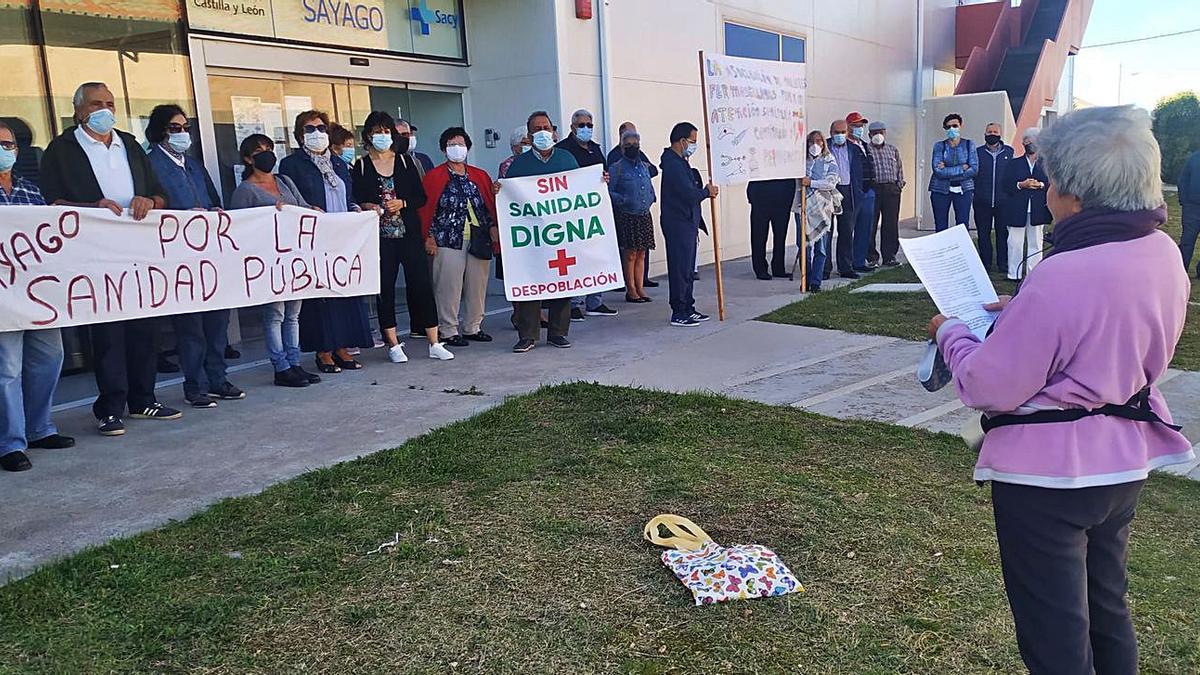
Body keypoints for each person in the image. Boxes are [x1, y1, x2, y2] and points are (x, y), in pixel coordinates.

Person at [928, 105, 1193, 675]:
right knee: (1107, 613)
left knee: (1055, 637)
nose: (1046, 186)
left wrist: (950, 331)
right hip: (1122, 465)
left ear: (1072, 191)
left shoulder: (1061, 272)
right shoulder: (1163, 253)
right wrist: (1026, 311)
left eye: (1051, 177)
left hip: (1046, 478)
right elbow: (1112, 330)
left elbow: (987, 385)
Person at [39, 82, 179, 437]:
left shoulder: (129, 145)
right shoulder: (62, 150)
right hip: (94, 255)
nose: (106, 110)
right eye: (97, 103)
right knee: (107, 333)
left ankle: (143, 398)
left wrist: (150, 201)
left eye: (110, 103)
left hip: (137, 252)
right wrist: (93, 209)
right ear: (80, 110)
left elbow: (159, 194)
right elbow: (51, 204)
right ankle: (110, 407)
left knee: (144, 327)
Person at [145, 104, 245, 409]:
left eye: (185, 127)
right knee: (191, 327)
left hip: (210, 254)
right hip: (179, 258)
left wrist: (215, 212)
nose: (182, 133)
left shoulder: (194, 165)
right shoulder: (151, 165)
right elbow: (154, 207)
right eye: (175, 128)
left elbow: (214, 199)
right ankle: (195, 385)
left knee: (217, 322)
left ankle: (217, 378)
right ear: (161, 131)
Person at [350, 111, 453, 362]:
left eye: (386, 131)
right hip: (380, 237)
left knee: (421, 285)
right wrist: (368, 206)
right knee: (385, 288)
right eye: (377, 132)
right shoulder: (362, 165)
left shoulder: (406, 162)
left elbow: (421, 197)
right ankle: (393, 343)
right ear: (368, 135)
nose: (382, 136)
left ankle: (434, 341)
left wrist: (403, 202)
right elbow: (356, 198)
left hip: (408, 233)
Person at [0, 120, 73, 471]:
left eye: (9, 145)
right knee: (8, 368)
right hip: (3, 297)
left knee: (49, 357)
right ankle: (10, 443)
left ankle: (40, 427)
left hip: (36, 292)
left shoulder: (30, 190)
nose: (5, 151)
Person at [278, 109, 374, 373]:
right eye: (309, 129)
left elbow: (348, 194)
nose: (316, 134)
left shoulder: (340, 163)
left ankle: (342, 347)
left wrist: (355, 209)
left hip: (342, 240)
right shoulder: (292, 165)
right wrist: (309, 210)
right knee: (321, 296)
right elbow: (291, 200)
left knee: (344, 292)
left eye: (321, 128)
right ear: (300, 135)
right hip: (314, 240)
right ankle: (324, 351)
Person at [229, 134, 322, 388]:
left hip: (294, 257)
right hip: (269, 261)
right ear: (248, 158)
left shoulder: (285, 181)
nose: (267, 154)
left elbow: (302, 206)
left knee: (293, 313)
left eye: (270, 149)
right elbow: (239, 227)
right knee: (275, 314)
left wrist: (312, 211)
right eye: (260, 151)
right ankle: (280, 366)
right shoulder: (245, 190)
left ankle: (294, 362)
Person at [500, 110, 579, 352]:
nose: (543, 132)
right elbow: (509, 196)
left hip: (561, 233)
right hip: (531, 236)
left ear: (554, 131)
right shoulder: (519, 165)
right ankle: (528, 335)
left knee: (562, 282)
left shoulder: (567, 159)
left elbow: (581, 189)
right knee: (530, 282)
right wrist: (499, 191)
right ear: (530, 135)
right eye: (537, 129)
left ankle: (558, 332)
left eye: (547, 127)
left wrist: (599, 181)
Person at [419, 127, 498, 349]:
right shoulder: (434, 177)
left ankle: (473, 326)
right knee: (448, 286)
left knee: (477, 284)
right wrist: (429, 237)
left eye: (461, 144)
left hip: (478, 237)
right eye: (452, 144)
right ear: (444, 148)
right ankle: (448, 329)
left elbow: (488, 204)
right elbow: (427, 210)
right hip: (447, 239)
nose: (457, 148)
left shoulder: (479, 175)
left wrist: (493, 226)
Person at [557, 108, 617, 319]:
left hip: (594, 211)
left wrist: (605, 179)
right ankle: (573, 303)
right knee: (574, 258)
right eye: (581, 125)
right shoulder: (562, 150)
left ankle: (595, 301)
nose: (586, 129)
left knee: (595, 255)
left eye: (589, 125)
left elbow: (602, 172)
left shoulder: (595, 149)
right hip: (571, 212)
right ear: (572, 127)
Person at [660, 122, 717, 327]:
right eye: (692, 141)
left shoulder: (682, 161)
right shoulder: (673, 164)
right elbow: (688, 194)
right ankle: (679, 310)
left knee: (688, 268)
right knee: (680, 267)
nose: (694, 146)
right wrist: (706, 192)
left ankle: (688, 306)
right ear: (682, 141)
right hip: (678, 222)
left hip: (688, 221)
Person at [607, 121, 659, 289]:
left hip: (643, 214)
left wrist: (651, 198)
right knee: (630, 254)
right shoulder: (617, 167)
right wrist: (622, 201)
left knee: (642, 253)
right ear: (622, 146)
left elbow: (650, 180)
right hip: (628, 215)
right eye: (628, 144)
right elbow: (609, 190)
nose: (632, 147)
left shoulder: (643, 165)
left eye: (635, 144)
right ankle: (631, 289)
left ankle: (641, 287)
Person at [1002, 128, 1051, 280]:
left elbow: (1053, 184)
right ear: (1023, 143)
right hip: (1017, 208)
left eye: (1033, 141)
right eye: (1027, 141)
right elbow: (1005, 185)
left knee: (1036, 242)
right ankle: (1014, 274)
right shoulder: (1013, 164)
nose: (1030, 143)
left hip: (1037, 208)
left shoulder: (1046, 164)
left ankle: (1034, 274)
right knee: (1015, 242)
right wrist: (1020, 185)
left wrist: (1040, 185)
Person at [800, 130, 840, 293]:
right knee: (804, 245)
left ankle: (816, 281)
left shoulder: (829, 160)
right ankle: (806, 279)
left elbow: (831, 183)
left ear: (823, 143)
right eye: (811, 141)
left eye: (819, 141)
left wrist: (811, 183)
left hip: (822, 207)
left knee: (821, 247)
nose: (815, 145)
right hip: (802, 207)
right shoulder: (801, 161)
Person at [827, 118, 866, 279]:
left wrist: (859, 191)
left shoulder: (853, 149)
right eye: (837, 132)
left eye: (843, 132)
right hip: (829, 191)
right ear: (831, 133)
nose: (840, 135)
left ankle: (845, 267)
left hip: (848, 191)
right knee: (826, 231)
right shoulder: (825, 146)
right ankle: (824, 268)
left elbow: (859, 171)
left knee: (846, 232)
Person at [974, 122, 1015, 272]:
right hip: (981, 200)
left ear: (1000, 134)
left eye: (995, 131)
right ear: (985, 134)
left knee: (1002, 233)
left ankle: (1002, 263)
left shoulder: (1009, 152)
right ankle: (985, 263)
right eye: (989, 131)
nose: (992, 134)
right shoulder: (977, 152)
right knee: (983, 234)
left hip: (1003, 201)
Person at [928, 112, 978, 232]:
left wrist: (947, 168)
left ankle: (961, 250)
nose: (952, 129)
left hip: (964, 189)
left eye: (955, 126)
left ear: (961, 126)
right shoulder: (939, 146)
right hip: (940, 189)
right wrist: (962, 168)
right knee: (940, 225)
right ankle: (942, 250)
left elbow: (974, 169)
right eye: (948, 127)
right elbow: (938, 171)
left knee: (962, 224)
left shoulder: (969, 144)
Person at [866, 120, 905, 267]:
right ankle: (871, 257)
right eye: (875, 133)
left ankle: (890, 256)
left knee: (891, 224)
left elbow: (899, 168)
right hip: (874, 189)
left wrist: (899, 185)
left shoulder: (892, 149)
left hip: (891, 190)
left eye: (881, 132)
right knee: (871, 224)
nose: (878, 135)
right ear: (869, 134)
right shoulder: (866, 149)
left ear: (885, 133)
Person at [846, 112, 878, 273]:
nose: (859, 129)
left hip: (868, 191)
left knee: (865, 228)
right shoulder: (846, 146)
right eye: (856, 126)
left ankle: (859, 261)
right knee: (848, 229)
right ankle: (847, 263)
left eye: (861, 126)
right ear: (849, 127)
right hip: (854, 191)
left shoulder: (864, 145)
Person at [746, 175, 795, 280]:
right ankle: (760, 269)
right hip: (761, 196)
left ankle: (778, 268)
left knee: (780, 236)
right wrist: (752, 196)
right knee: (759, 235)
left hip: (782, 197)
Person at [1178, 148, 1200, 278]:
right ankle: (1181, 272)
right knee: (1187, 242)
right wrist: (1184, 201)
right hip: (1192, 208)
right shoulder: (1194, 158)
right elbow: (1183, 180)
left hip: (1191, 206)